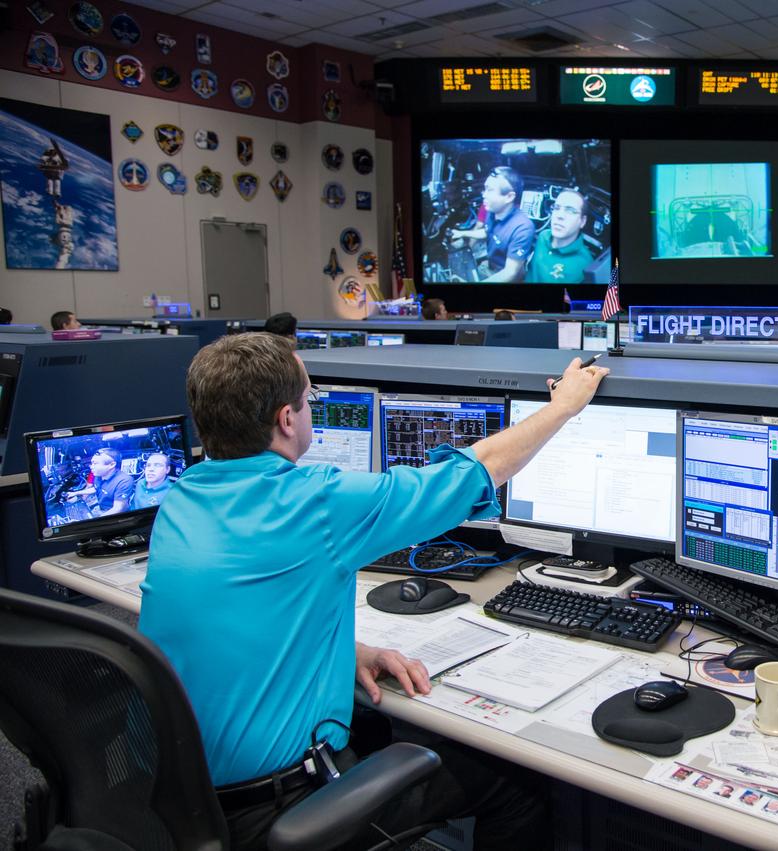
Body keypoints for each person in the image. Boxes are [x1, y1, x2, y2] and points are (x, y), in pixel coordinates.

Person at [138, 333, 609, 849]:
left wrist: (342, 651)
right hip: (280, 808)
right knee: (516, 785)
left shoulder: (182, 496)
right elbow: (479, 470)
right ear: (287, 420)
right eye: (308, 400)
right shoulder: (312, 502)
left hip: (181, 801)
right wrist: (564, 406)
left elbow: (230, 618)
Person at [450, 166, 534, 283]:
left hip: (506, 277)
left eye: (489, 190)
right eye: (485, 189)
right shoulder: (492, 211)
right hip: (490, 266)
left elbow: (510, 273)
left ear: (509, 197)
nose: (484, 194)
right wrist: (462, 233)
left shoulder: (523, 227)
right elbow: (487, 231)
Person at [527, 188, 595, 284]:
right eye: (556, 208)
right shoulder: (543, 236)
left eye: (570, 211)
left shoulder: (585, 265)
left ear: (582, 221)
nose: (560, 215)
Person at [67, 448, 134, 516]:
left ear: (111, 465)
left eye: (95, 463)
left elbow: (118, 508)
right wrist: (75, 493)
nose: (91, 467)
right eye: (92, 463)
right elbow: (96, 488)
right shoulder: (99, 475)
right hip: (101, 508)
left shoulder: (124, 480)